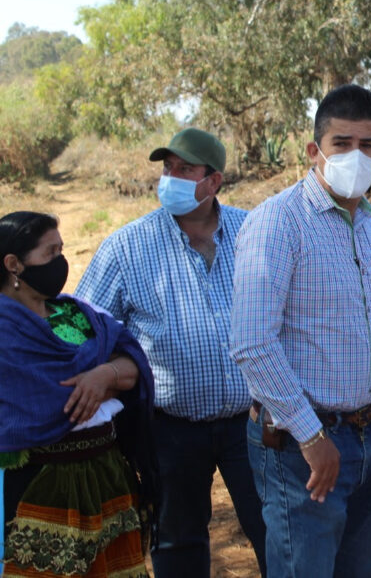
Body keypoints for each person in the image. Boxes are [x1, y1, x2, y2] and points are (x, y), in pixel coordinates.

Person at [230, 84, 371, 578]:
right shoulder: (277, 223)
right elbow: (252, 345)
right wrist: (311, 438)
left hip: (368, 434)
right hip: (301, 450)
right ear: (315, 151)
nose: (355, 156)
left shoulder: (370, 224)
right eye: (341, 144)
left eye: (367, 145)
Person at [74, 128, 267, 577]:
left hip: (255, 421)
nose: (171, 178)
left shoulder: (254, 230)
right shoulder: (127, 246)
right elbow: (85, 330)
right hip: (170, 429)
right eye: (167, 168)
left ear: (214, 181)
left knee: (275, 529)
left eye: (185, 170)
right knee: (177, 542)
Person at [1, 211, 155, 577]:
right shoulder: (5, 328)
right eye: (50, 254)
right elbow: (49, 396)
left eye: (62, 250)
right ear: (14, 264)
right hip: (40, 484)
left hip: (107, 476)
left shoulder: (76, 313)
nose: (61, 263)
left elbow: (134, 361)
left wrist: (104, 375)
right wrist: (105, 377)